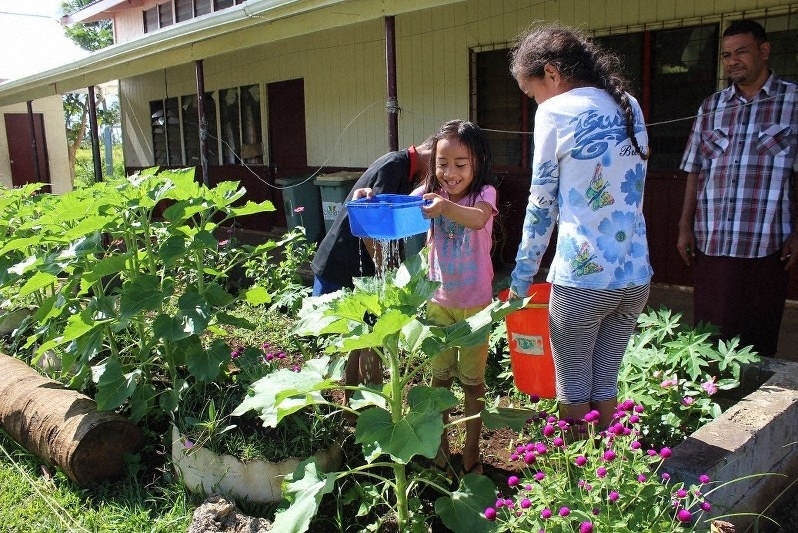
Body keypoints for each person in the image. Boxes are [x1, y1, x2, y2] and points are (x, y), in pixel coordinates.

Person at [508, 22, 652, 429]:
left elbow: (541, 206)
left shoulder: (554, 111)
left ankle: (579, 476)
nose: (535, 101)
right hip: (634, 276)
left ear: (551, 73)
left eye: (532, 92)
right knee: (604, 378)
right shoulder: (629, 103)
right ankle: (606, 467)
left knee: (572, 382)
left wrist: (521, 280)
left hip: (582, 278)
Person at [678, 19, 798, 358]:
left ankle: (754, 402)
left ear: (764, 51)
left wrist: (797, 233)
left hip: (767, 242)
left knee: (758, 333)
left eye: (741, 52)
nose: (732, 61)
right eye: (727, 55)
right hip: (712, 239)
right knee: (710, 330)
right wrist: (684, 226)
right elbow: (693, 170)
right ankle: (711, 400)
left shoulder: (792, 102)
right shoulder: (711, 107)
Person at [309, 138, 433, 412]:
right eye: (439, 164)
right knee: (350, 338)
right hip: (343, 263)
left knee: (363, 336)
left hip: (358, 264)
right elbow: (370, 224)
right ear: (430, 152)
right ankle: (340, 408)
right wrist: (387, 272)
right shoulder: (393, 166)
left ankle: (352, 406)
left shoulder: (403, 169)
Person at [412, 119, 499, 476]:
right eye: (442, 164)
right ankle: (441, 447)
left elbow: (478, 221)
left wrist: (445, 208)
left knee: (473, 383)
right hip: (439, 302)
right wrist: (370, 194)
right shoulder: (430, 194)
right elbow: (400, 205)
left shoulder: (485, 195)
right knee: (440, 379)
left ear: (476, 162)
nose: (449, 173)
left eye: (460, 164)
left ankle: (472, 453)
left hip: (476, 307)